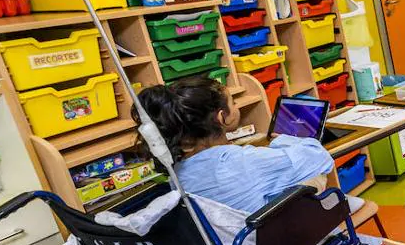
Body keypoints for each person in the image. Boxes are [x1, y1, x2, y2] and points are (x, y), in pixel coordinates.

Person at [135, 77, 332, 214]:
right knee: (317, 177)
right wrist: (280, 140)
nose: (236, 106)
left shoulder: (176, 171)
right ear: (222, 117)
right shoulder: (243, 161)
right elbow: (319, 157)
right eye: (233, 102)